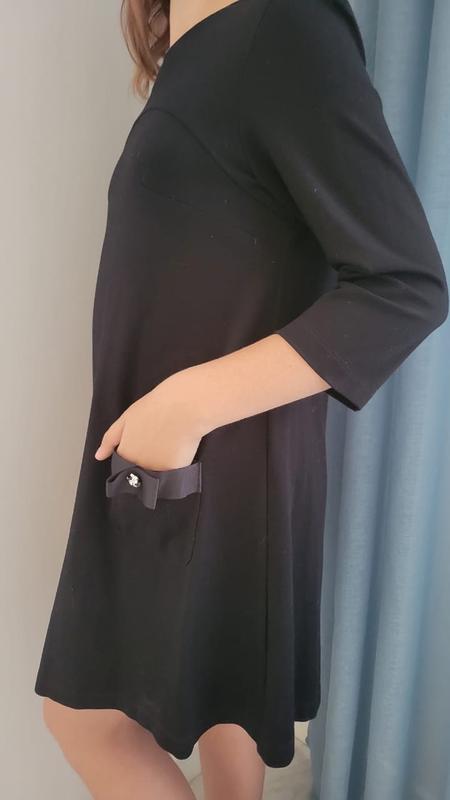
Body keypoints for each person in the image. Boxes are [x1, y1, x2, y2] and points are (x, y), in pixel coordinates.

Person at [34, 0, 449, 798]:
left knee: (84, 721)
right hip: (182, 467)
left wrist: (185, 407)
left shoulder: (284, 29)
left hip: (205, 462)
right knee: (226, 715)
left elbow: (406, 285)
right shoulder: (205, 52)